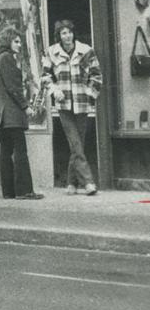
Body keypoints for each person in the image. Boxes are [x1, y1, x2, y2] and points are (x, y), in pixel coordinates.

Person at [42, 19, 102, 196]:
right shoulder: (52, 52)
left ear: (73, 33)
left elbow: (97, 75)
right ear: (58, 36)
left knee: (78, 145)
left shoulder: (86, 51)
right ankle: (89, 182)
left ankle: (71, 183)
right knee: (75, 143)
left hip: (82, 104)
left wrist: (90, 94)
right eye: (63, 33)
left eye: (69, 32)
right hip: (64, 105)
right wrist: (54, 90)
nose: (67, 36)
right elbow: (45, 77)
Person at [0, 31, 42, 199]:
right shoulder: (7, 58)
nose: (19, 44)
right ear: (8, 42)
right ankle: (24, 190)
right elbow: (13, 87)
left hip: (1, 114)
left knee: (6, 152)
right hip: (12, 113)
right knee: (20, 151)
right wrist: (25, 106)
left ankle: (9, 192)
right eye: (16, 41)